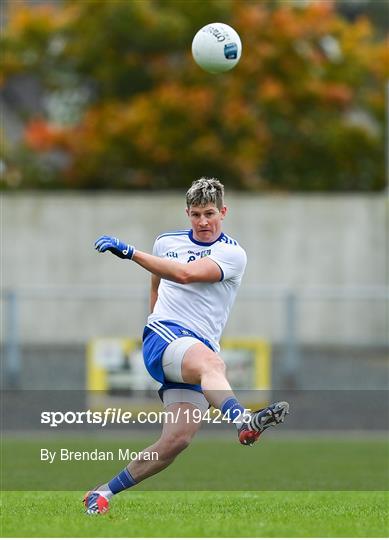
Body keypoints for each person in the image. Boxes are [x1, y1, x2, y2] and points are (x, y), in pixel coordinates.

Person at [84, 178, 289, 515]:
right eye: (196, 214)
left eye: (210, 213)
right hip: (166, 338)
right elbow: (158, 282)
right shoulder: (166, 242)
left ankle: (102, 493)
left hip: (196, 348)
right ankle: (243, 422)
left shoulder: (232, 254)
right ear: (187, 213)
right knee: (213, 365)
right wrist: (154, 324)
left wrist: (130, 252)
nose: (203, 222)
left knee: (174, 442)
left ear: (223, 212)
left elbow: (185, 275)